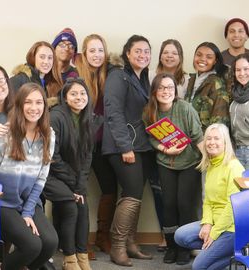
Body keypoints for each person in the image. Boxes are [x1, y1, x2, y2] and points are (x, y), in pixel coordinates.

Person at [0, 83, 58, 270]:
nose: (34, 107)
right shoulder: (5, 134)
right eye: (28, 102)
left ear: (45, 107)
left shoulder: (49, 135)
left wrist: (28, 212)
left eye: (39, 102)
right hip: (1, 203)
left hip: (27, 202)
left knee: (50, 243)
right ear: (20, 105)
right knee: (32, 246)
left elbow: (41, 179)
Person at [102, 35, 155, 266]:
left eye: (147, 51)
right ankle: (118, 246)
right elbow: (113, 113)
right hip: (121, 146)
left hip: (141, 145)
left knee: (136, 196)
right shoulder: (118, 76)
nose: (143, 55)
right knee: (132, 195)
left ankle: (131, 243)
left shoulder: (142, 77)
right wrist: (125, 146)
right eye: (138, 51)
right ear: (127, 53)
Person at [143, 73, 204, 265]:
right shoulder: (149, 112)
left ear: (175, 90)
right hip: (164, 163)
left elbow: (198, 136)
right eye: (161, 88)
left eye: (170, 87)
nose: (166, 91)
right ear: (154, 91)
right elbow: (151, 136)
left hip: (189, 163)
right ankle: (171, 246)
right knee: (168, 205)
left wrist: (210, 163)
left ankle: (185, 247)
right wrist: (164, 149)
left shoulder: (185, 108)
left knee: (185, 205)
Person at [174, 123, 244, 270]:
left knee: (199, 266)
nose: (211, 142)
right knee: (180, 235)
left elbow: (234, 206)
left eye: (217, 139)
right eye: (209, 138)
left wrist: (214, 232)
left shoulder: (234, 167)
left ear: (225, 143)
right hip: (215, 223)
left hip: (231, 228)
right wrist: (207, 223)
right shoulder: (210, 165)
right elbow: (208, 201)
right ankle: (222, 252)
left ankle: (231, 253)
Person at [43, 78, 94, 270]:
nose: (79, 97)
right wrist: (74, 182)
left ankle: (83, 257)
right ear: (65, 97)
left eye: (82, 93)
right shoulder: (56, 116)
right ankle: (69, 259)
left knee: (83, 207)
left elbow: (88, 156)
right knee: (72, 208)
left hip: (72, 178)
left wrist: (80, 185)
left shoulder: (86, 118)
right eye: (74, 93)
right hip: (50, 175)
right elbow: (52, 156)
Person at [75, 33, 117, 257]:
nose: (97, 55)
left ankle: (103, 236)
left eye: (100, 50)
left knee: (110, 188)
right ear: (84, 52)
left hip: (103, 144)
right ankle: (80, 242)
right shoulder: (75, 75)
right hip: (81, 144)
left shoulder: (110, 74)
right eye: (92, 50)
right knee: (77, 190)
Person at [184, 42, 230, 131]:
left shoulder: (216, 83)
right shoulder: (190, 79)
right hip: (189, 137)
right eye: (199, 55)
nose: (202, 59)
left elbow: (220, 119)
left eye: (209, 57)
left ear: (215, 61)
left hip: (206, 139)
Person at [10, 41, 63, 107]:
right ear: (33, 57)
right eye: (42, 57)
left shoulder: (50, 82)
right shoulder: (20, 79)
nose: (46, 62)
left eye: (50, 58)